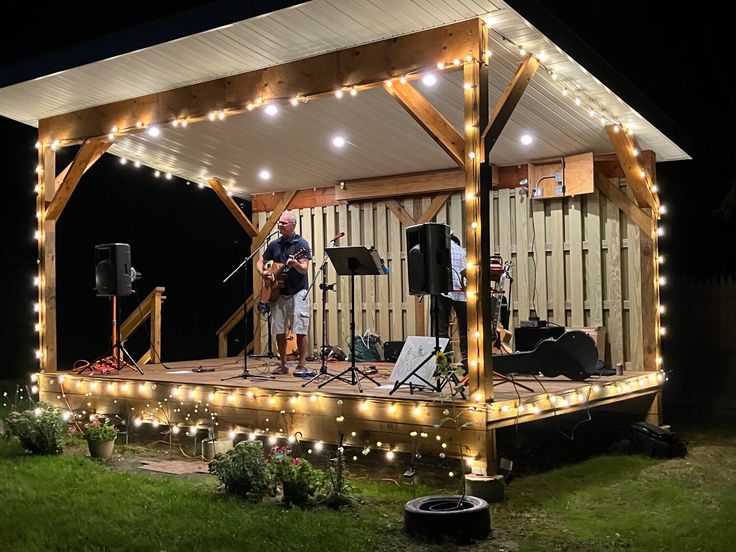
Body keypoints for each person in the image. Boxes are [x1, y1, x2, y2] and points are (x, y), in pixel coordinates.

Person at [256, 211, 312, 375]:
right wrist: (264, 273)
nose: (280, 225)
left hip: (297, 291)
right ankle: (283, 364)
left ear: (293, 225)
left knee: (300, 328)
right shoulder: (274, 244)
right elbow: (261, 261)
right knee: (278, 328)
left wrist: (294, 263)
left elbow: (304, 269)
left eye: (284, 223)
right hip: (277, 292)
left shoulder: (302, 244)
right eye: (279, 223)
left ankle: (301, 364)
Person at [437, 231, 468, 370]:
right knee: (466, 330)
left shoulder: (440, 251)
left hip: (444, 292)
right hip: (463, 294)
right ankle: (467, 362)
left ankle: (444, 364)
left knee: (441, 330)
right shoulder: (463, 252)